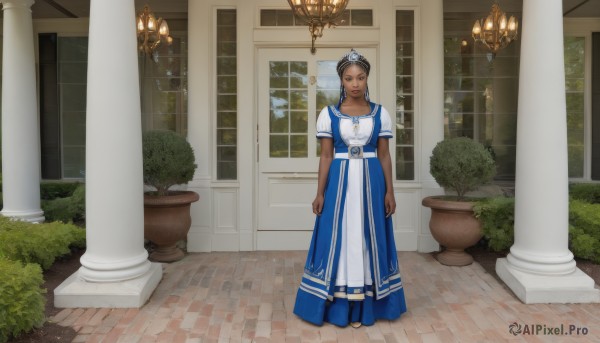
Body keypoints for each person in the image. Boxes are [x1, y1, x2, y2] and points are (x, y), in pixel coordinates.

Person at [293, 49, 407, 328]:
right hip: (339, 184)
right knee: (338, 238)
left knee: (370, 238)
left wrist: (390, 191)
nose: (355, 83)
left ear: (367, 79)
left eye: (360, 77)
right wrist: (320, 192)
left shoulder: (381, 114)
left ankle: (368, 306)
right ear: (341, 81)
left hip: (372, 182)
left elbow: (383, 155)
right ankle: (338, 307)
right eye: (349, 78)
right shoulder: (328, 114)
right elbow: (326, 156)